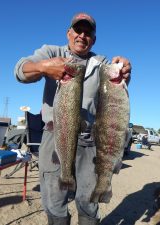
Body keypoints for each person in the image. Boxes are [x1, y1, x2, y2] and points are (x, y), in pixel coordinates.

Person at [14, 13, 131, 225]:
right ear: (69, 33)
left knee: (88, 200)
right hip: (56, 133)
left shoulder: (100, 62)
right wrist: (44, 66)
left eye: (88, 33)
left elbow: (115, 86)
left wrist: (123, 68)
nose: (82, 36)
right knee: (54, 200)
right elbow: (20, 70)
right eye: (78, 30)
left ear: (93, 39)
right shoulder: (52, 52)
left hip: (89, 140)